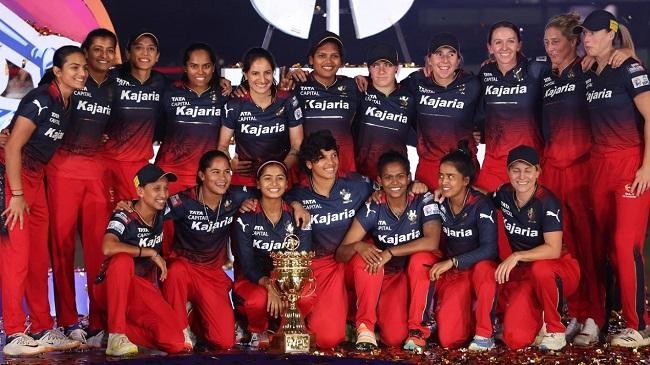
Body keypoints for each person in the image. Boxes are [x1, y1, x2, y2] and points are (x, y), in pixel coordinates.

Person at [0, 45, 86, 356]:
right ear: (58, 71)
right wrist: (18, 194)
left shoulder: (68, 102)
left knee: (38, 260)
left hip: (35, 183)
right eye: (74, 67)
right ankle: (12, 334)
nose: (81, 73)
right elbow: (12, 148)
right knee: (17, 259)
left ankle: (40, 327)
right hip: (13, 181)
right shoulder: (41, 98)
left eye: (83, 68)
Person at [576, 9, 650, 347]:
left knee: (625, 244)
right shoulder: (589, 71)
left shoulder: (630, 67)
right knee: (604, 247)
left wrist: (647, 167)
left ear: (611, 34)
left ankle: (639, 325)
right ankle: (607, 318)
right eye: (584, 34)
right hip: (598, 167)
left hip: (629, 165)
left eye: (593, 33)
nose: (586, 39)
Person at [45, 28, 117, 346]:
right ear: (84, 51)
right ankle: (69, 321)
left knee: (97, 250)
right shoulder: (69, 80)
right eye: (96, 49)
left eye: (109, 49)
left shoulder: (117, 86)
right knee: (61, 249)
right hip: (61, 171)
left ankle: (99, 320)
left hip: (96, 174)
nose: (102, 54)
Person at [335, 151, 440, 353]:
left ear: (409, 178)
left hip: (409, 272)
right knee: (367, 256)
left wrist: (390, 252)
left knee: (423, 258)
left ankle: (418, 331)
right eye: (388, 177)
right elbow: (341, 253)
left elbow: (432, 241)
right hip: (385, 274)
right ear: (379, 181)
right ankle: (364, 327)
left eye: (400, 176)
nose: (395, 182)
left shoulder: (422, 199)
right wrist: (358, 246)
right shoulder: (374, 205)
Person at [285, 130, 374, 349]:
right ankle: (342, 320)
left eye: (333, 155)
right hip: (322, 264)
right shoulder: (297, 195)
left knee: (371, 259)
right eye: (322, 158)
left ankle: (365, 328)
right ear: (308, 164)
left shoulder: (358, 184)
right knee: (327, 339)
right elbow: (274, 203)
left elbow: (390, 189)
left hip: (351, 257)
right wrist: (294, 205)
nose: (330, 162)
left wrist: (412, 188)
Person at [161, 150, 250, 350]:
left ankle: (193, 313)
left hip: (211, 273)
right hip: (183, 268)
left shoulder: (235, 196)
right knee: (175, 271)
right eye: (215, 172)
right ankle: (180, 327)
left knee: (224, 341)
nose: (222, 178)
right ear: (202, 175)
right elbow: (151, 209)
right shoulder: (183, 200)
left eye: (227, 172)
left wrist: (296, 205)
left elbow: (270, 193)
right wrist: (128, 207)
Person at [493, 145, 580, 351]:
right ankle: (538, 316)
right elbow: (478, 198)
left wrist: (517, 255)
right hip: (528, 275)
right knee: (515, 339)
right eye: (516, 170)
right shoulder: (504, 195)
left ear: (538, 172)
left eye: (528, 170)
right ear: (508, 172)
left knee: (541, 269)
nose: (522, 176)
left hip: (560, 270)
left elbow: (553, 250)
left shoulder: (547, 202)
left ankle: (556, 330)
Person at [94, 164, 186, 356]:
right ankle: (116, 335)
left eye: (165, 188)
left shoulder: (163, 209)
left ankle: (110, 331)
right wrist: (150, 252)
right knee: (122, 260)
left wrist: (244, 200)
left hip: (140, 291)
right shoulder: (124, 214)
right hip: (111, 287)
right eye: (156, 188)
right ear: (140, 191)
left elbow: (196, 198)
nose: (163, 194)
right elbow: (108, 246)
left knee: (176, 342)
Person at [231, 160, 314, 348]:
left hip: (288, 279)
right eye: (267, 179)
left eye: (280, 178)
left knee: (307, 295)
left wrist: (280, 286)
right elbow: (246, 263)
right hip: (254, 279)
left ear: (286, 184)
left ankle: (287, 328)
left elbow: (302, 257)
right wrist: (269, 285)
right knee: (257, 300)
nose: (274, 183)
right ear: (258, 184)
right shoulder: (246, 217)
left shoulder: (299, 214)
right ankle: (257, 329)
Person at [427, 141, 498, 351]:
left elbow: (490, 249)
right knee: (449, 340)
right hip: (455, 275)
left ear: (465, 180)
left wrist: (452, 261)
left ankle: (486, 333)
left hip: (477, 270)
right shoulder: (438, 201)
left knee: (486, 268)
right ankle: (464, 314)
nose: (444, 181)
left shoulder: (481, 204)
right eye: (441, 175)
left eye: (450, 177)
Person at [475, 21, 547, 193]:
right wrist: (477, 131)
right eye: (498, 42)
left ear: (519, 45)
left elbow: (567, 63)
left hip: (530, 164)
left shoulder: (537, 69)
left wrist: (624, 49)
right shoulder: (485, 74)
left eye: (510, 41)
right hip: (494, 163)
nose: (504, 47)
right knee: (490, 217)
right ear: (490, 47)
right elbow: (476, 112)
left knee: (530, 218)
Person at [217, 47, 303, 188]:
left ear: (273, 72)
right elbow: (222, 146)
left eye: (267, 73)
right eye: (255, 73)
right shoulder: (235, 103)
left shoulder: (287, 100)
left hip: (281, 180)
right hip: (245, 181)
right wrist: (230, 164)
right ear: (246, 74)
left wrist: (279, 171)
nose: (262, 79)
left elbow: (297, 146)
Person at [407, 33, 482, 190]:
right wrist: (366, 80)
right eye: (438, 54)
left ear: (459, 60)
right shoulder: (416, 82)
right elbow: (388, 90)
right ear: (429, 59)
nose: (445, 60)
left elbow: (495, 113)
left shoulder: (473, 84)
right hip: (429, 169)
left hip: (463, 168)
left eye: (451, 54)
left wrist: (481, 133)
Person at [104, 31, 167, 201]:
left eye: (151, 48)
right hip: (107, 161)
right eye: (139, 48)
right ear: (128, 53)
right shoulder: (112, 77)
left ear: (157, 56)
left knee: (134, 219)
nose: (145, 53)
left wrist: (219, 82)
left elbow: (191, 85)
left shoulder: (161, 83)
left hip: (140, 165)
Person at [287, 32, 361, 175]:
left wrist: (365, 78)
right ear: (311, 59)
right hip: (307, 171)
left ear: (341, 61)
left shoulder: (353, 86)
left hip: (344, 170)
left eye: (334, 56)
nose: (329, 61)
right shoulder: (297, 85)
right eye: (321, 55)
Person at [156, 43, 225, 194]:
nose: (200, 71)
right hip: (170, 174)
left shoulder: (223, 95)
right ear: (185, 67)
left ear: (213, 67)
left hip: (205, 177)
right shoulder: (169, 92)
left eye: (206, 66)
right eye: (194, 66)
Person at [353, 44, 415, 181]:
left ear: (397, 68)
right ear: (369, 69)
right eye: (376, 65)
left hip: (396, 179)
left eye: (387, 64)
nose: (381, 70)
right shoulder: (359, 92)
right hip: (362, 177)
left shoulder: (410, 97)